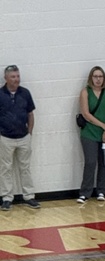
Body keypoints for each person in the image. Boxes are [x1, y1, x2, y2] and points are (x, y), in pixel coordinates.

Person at [0, 64, 39, 211]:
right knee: (5, 169)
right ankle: (6, 198)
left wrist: (29, 133)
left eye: (17, 76)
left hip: (23, 137)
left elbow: (30, 114)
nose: (16, 79)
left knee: (25, 168)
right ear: (6, 78)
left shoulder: (25, 93)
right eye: (13, 77)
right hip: (5, 138)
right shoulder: (0, 94)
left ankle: (29, 196)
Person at [77, 66, 105, 204]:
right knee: (90, 162)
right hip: (90, 132)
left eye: (100, 76)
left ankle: (101, 191)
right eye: (95, 76)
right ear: (90, 78)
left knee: (104, 163)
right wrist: (102, 125)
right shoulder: (85, 92)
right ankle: (85, 192)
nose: (98, 79)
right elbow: (86, 114)